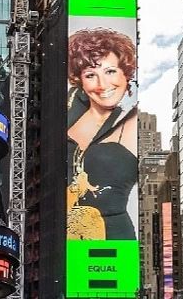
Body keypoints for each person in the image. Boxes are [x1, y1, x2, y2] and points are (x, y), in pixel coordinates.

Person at [66, 27, 137, 240]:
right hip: (58, 235)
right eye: (91, 75)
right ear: (80, 80)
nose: (102, 85)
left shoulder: (133, 121)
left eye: (110, 71)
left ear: (126, 73)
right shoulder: (69, 111)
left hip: (111, 237)